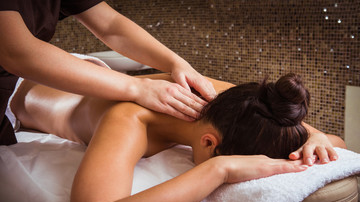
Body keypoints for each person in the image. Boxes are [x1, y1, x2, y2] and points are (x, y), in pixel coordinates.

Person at [10, 65, 346, 202]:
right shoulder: (128, 120)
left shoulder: (229, 103)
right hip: (20, 90)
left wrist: (315, 138)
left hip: (93, 76)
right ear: (209, 143)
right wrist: (220, 170)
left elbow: (336, 144)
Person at [0, 1, 216, 145]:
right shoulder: (125, 127)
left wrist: (176, 63)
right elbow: (16, 51)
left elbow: (111, 26)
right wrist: (138, 88)